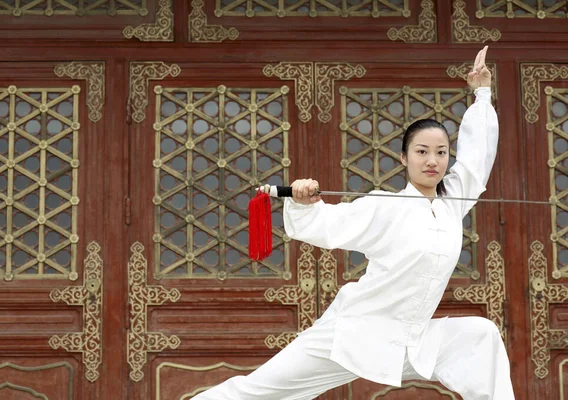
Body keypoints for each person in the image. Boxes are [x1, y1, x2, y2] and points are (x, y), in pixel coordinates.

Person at [192, 46, 514, 399]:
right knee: (258, 391)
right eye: (422, 151)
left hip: (412, 341)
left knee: (481, 337)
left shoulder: (451, 204)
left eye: (441, 152)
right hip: (353, 335)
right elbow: (328, 222)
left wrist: (482, 94)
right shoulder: (385, 207)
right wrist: (303, 202)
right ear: (404, 157)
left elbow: (476, 161)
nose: (432, 160)